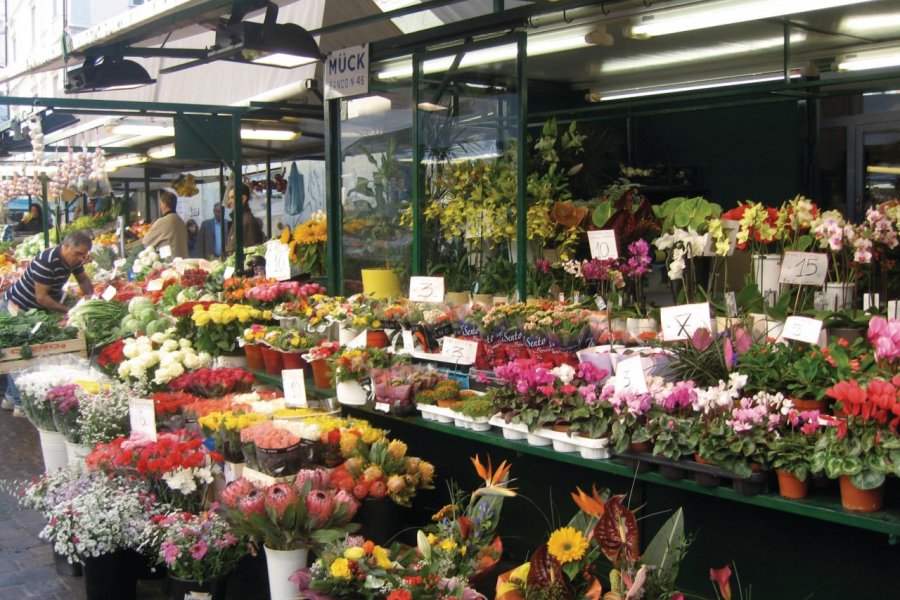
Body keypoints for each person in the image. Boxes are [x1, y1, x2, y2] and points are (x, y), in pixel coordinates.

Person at [3, 230, 94, 314]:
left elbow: (83, 280)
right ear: (66, 246)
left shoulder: (75, 260)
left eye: (83, 255)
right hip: (17, 307)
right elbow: (42, 297)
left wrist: (91, 297)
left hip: (37, 309)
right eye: (78, 253)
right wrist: (70, 311)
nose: (80, 258)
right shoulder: (46, 261)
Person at [142, 190, 189, 259]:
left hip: (170, 263)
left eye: (160, 204)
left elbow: (146, 241)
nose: (160, 207)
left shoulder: (162, 222)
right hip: (184, 261)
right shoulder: (181, 221)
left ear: (164, 204)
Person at [224, 185, 265, 255]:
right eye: (229, 198)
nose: (229, 202)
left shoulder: (247, 221)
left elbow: (251, 253)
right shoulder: (239, 219)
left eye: (232, 198)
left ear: (243, 199)